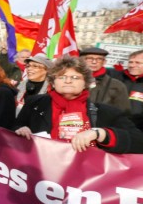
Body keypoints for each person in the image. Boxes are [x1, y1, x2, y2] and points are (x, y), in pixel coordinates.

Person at [15, 56, 143, 153]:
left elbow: (138, 142)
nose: (68, 81)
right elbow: (15, 126)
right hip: (40, 172)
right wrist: (21, 129)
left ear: (86, 83)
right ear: (53, 82)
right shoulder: (35, 103)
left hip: (82, 180)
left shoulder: (106, 112)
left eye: (75, 77)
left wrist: (100, 134)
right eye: (61, 77)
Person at [79, 47, 130, 113]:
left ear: (104, 62)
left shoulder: (117, 85)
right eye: (89, 58)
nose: (94, 62)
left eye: (99, 59)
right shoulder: (71, 81)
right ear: (81, 60)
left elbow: (124, 112)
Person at [112, 50, 143, 129]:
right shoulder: (116, 78)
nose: (132, 65)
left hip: (138, 129)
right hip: (114, 126)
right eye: (130, 62)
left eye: (137, 63)